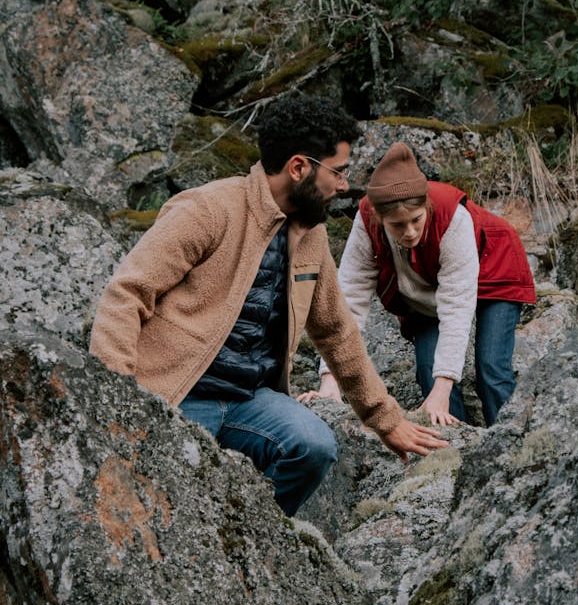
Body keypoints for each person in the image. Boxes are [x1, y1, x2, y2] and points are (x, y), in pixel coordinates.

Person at [89, 96, 446, 516]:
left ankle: (251, 541)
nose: (345, 186)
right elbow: (127, 293)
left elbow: (336, 331)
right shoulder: (208, 209)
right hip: (177, 394)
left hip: (251, 399)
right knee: (167, 498)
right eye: (339, 172)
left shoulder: (310, 235)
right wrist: (117, 398)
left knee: (313, 447)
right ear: (299, 168)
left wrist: (387, 421)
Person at [308, 142, 535, 427]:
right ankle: (453, 454)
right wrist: (330, 378)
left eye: (416, 220)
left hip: (495, 264)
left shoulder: (453, 220)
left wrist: (445, 387)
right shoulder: (367, 221)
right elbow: (348, 298)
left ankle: (509, 447)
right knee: (429, 370)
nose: (410, 232)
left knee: (490, 369)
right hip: (425, 287)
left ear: (426, 206)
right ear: (379, 219)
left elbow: (456, 307)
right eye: (397, 226)